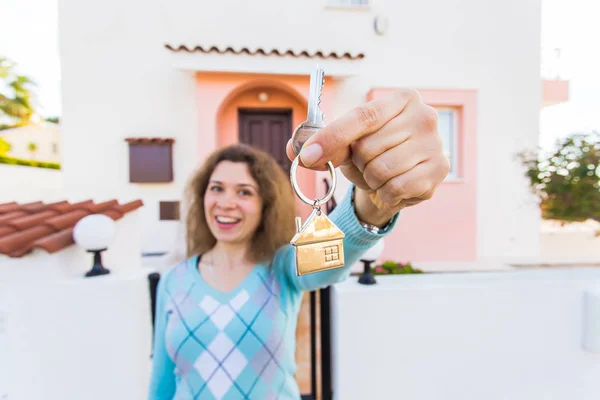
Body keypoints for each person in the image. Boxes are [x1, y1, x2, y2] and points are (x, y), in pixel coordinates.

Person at [148, 88, 450, 399]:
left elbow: (332, 255)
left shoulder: (281, 267)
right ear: (202, 197)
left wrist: (374, 202)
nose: (226, 203)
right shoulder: (174, 280)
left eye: (244, 192)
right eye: (217, 188)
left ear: (266, 205)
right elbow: (161, 385)